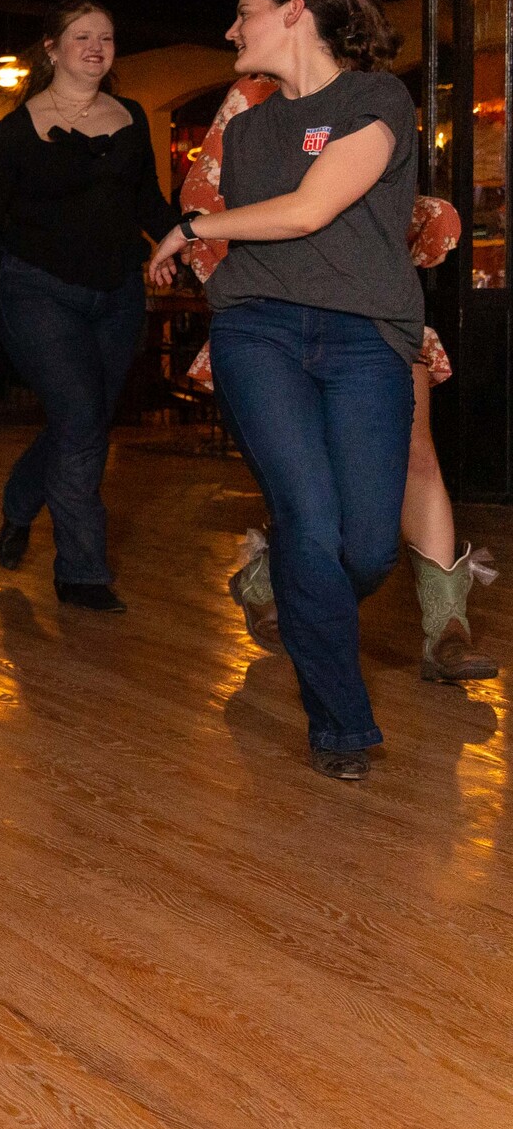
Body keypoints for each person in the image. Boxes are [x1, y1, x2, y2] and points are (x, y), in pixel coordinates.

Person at [138, 0, 417, 781]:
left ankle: (285, 579)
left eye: (243, 13)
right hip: (258, 331)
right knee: (308, 518)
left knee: (367, 548)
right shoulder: (251, 131)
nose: (231, 31)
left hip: (364, 338)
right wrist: (209, 238)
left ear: (296, 11)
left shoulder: (377, 98)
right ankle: (341, 725)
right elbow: (268, 231)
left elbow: (309, 209)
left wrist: (192, 226)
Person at [182, 77, 496, 683]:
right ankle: (274, 580)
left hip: (374, 307)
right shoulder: (255, 99)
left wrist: (421, 217)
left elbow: (393, 198)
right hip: (281, 312)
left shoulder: (373, 95)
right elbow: (205, 196)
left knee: (415, 454)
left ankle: (446, 628)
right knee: (315, 492)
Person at [0, 0, 178, 613]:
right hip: (37, 290)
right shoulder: (15, 131)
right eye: (82, 37)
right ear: (52, 49)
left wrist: (184, 239)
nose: (96, 47)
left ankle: (19, 498)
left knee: (84, 422)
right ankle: (81, 571)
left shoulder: (132, 117)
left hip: (118, 293)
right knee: (81, 422)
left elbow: (147, 201)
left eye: (106, 37)